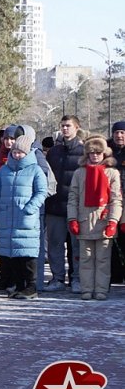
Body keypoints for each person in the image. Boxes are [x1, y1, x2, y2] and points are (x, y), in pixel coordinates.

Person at [0, 132, 48, 299]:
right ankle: (18, 285)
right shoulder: (3, 171)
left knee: (27, 254)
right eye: (14, 152)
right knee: (12, 253)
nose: (17, 155)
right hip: (6, 218)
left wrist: (30, 208)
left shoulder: (35, 170)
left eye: (20, 152)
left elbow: (42, 191)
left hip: (26, 218)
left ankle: (31, 286)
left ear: (27, 153)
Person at [67, 135, 122, 301]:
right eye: (92, 152)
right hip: (84, 221)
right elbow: (73, 197)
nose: (95, 155)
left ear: (104, 153)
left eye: (98, 152)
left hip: (104, 221)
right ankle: (86, 289)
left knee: (103, 259)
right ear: (87, 154)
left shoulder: (112, 173)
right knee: (85, 259)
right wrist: (72, 219)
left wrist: (113, 221)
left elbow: (116, 199)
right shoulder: (79, 173)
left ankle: (101, 289)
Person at [44, 116, 85, 294]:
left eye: (68, 126)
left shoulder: (84, 152)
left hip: (75, 207)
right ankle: (57, 278)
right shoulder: (54, 152)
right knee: (55, 244)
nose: (65, 129)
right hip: (55, 206)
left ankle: (76, 278)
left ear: (77, 128)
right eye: (63, 126)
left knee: (76, 245)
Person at [108, 121, 125, 284]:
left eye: (122, 133)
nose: (119, 136)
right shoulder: (107, 151)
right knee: (111, 238)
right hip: (110, 200)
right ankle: (115, 273)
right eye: (117, 133)